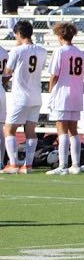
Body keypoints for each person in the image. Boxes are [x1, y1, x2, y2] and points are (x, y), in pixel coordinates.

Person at [1, 21, 47, 174]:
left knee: (9, 129)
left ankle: (13, 164)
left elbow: (8, 72)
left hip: (20, 96)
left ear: (19, 33)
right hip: (36, 96)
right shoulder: (42, 50)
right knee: (30, 131)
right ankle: (28, 165)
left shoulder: (17, 51)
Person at [44, 21, 84, 175]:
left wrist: (51, 91)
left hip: (62, 93)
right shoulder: (80, 52)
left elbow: (54, 74)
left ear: (60, 35)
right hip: (76, 93)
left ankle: (62, 165)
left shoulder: (60, 51)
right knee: (73, 130)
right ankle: (75, 165)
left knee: (61, 129)